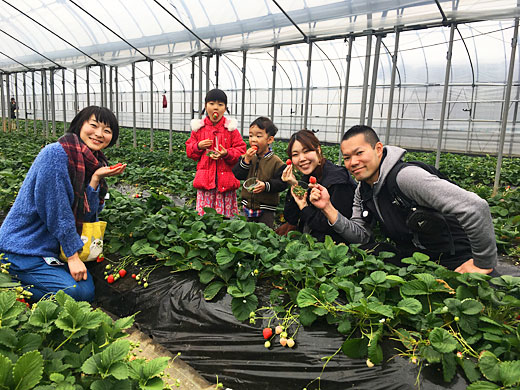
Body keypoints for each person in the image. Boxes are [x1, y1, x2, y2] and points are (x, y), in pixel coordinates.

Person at [309, 125, 497, 274]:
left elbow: (474, 207)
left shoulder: (406, 177)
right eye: (347, 157)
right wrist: (328, 207)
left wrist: (482, 262)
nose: (353, 162)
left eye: (359, 153)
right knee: (365, 252)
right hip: (415, 258)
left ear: (378, 149)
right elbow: (361, 236)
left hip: (454, 257)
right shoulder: (363, 190)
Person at [0, 106, 126, 301]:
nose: (99, 134)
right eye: (94, 125)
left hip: (52, 250)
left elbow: (88, 218)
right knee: (76, 293)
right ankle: (7, 288)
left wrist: (95, 180)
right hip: (24, 248)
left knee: (85, 289)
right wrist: (73, 257)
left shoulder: (94, 163)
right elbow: (56, 210)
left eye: (107, 131)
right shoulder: (56, 154)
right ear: (79, 125)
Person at [280, 129, 357, 243]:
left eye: (306, 151)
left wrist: (305, 208)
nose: (301, 159)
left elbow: (332, 227)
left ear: (318, 150)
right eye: (295, 154)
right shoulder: (307, 177)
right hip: (311, 245)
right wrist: (295, 185)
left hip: (336, 249)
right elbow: (291, 218)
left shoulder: (337, 181)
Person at [186, 89, 246, 217]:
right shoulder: (198, 128)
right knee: (205, 218)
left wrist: (227, 154)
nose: (216, 108)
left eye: (220, 104)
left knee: (224, 219)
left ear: (225, 108)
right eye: (212, 103)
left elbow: (241, 150)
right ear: (205, 106)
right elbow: (190, 151)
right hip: (206, 180)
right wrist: (198, 146)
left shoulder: (230, 129)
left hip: (226, 181)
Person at [232, 116, 287, 228]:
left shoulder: (277, 162)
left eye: (258, 136)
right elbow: (238, 174)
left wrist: (266, 186)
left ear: (269, 140)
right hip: (248, 205)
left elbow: (282, 183)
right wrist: (246, 161)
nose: (253, 139)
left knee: (264, 234)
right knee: (248, 232)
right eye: (251, 135)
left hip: (266, 208)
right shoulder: (247, 157)